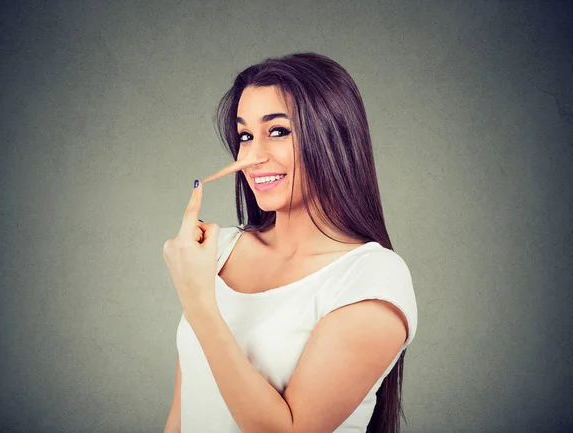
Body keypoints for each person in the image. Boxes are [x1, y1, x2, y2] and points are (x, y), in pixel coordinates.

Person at [164, 52, 418, 433]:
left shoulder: (371, 278)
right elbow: (183, 413)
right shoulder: (218, 252)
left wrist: (199, 303)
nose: (251, 156)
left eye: (278, 131)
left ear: (333, 139)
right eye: (245, 136)